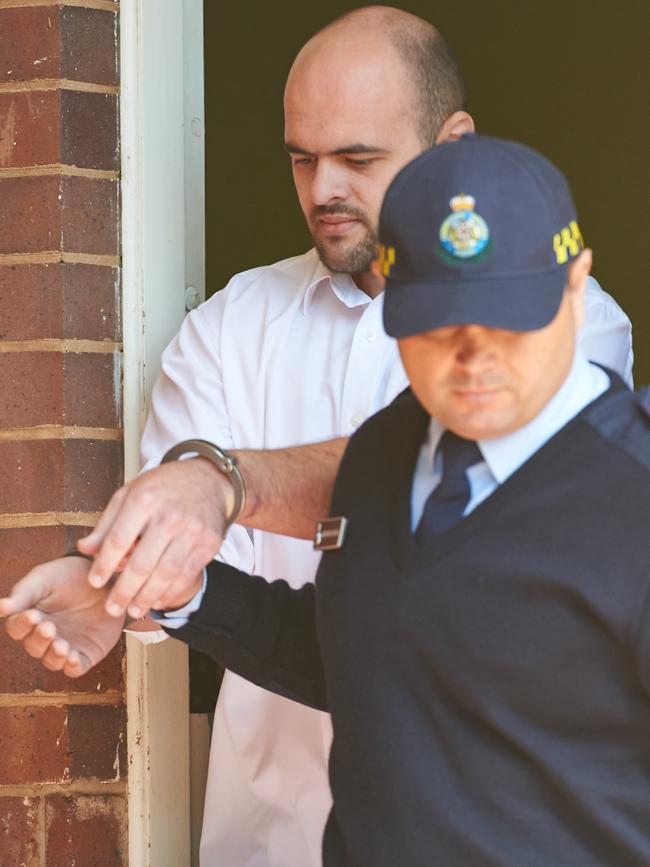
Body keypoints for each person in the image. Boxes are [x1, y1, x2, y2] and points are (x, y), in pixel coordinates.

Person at [1, 8, 634, 867]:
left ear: (572, 293)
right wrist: (154, 585)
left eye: (359, 158)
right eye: (303, 158)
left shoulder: (619, 480)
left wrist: (223, 484)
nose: (470, 361)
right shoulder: (374, 441)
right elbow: (357, 648)